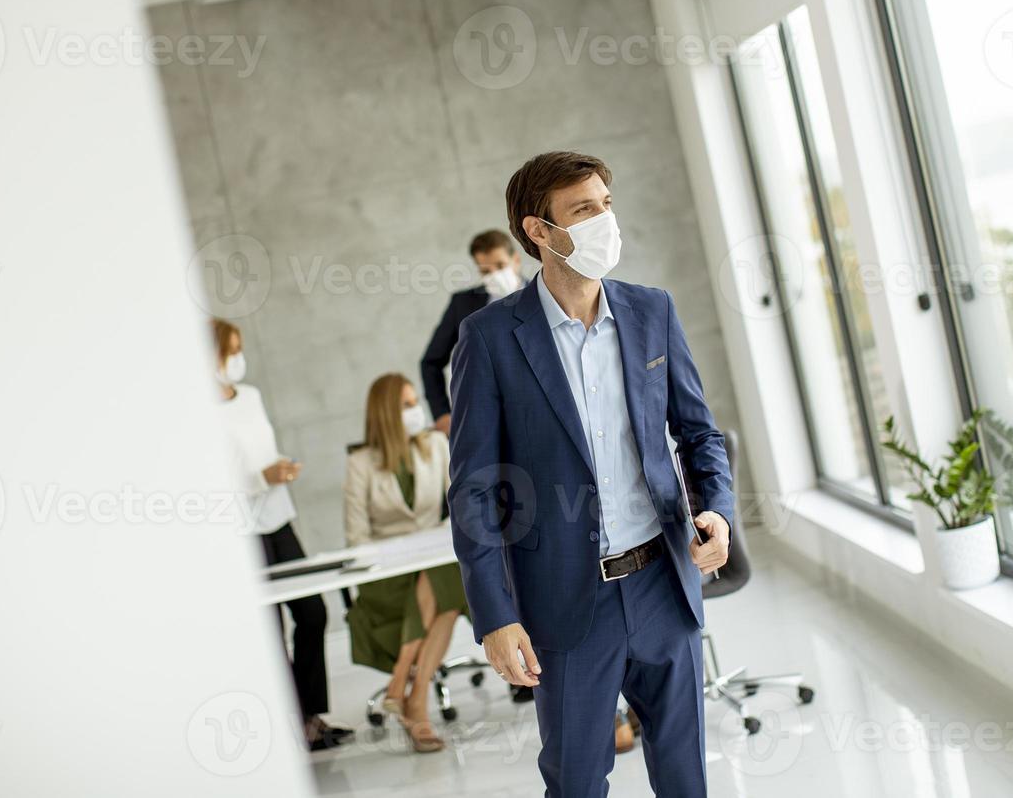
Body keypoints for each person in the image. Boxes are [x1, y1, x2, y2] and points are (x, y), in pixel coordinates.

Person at [447, 151, 733, 796]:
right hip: (567, 600)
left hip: (665, 582)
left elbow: (698, 434)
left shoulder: (650, 310)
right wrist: (494, 615)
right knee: (577, 782)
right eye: (583, 210)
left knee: (687, 779)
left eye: (606, 205)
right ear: (539, 232)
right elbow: (473, 491)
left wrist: (716, 511)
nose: (604, 221)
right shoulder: (490, 338)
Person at [211, 319, 350, 751]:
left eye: (239, 349)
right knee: (268, 630)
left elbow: (260, 450)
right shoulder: (197, 411)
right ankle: (293, 725)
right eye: (230, 351)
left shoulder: (249, 396)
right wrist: (257, 477)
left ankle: (310, 716)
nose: (238, 359)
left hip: (277, 517)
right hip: (241, 529)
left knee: (312, 613)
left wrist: (278, 468)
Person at [343, 373, 471, 753]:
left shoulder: (436, 444)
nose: (416, 411)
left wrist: (433, 541)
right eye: (407, 405)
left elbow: (459, 507)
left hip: (433, 560)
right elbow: (356, 537)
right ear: (385, 413)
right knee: (447, 593)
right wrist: (397, 557)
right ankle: (408, 695)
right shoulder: (361, 462)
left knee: (444, 582)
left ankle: (407, 694)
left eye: (416, 402)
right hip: (389, 575)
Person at [420, 229, 525, 437]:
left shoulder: (545, 296)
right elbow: (431, 361)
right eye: (485, 271)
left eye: (501, 266)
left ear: (516, 260)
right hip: (484, 420)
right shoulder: (463, 304)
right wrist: (442, 414)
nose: (494, 275)